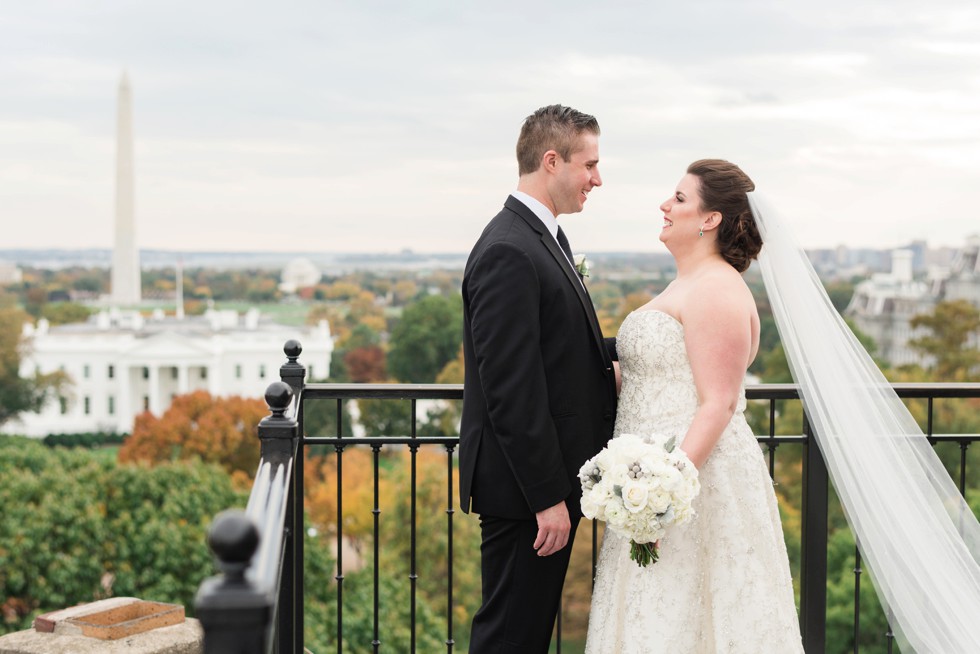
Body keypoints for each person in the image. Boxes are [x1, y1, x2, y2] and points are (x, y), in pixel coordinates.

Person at [585, 159, 805, 653]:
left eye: (680, 199)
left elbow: (719, 404)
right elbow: (656, 375)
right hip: (650, 483)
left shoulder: (716, 289)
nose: (665, 206)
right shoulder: (686, 284)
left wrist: (662, 500)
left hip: (691, 488)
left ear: (710, 220)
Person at [459, 104, 618, 653]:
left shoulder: (540, 237)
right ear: (552, 161)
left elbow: (554, 350)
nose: (597, 179)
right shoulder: (509, 248)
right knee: (510, 637)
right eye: (589, 165)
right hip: (527, 492)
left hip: (541, 488)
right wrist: (547, 496)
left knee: (523, 634)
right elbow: (511, 388)